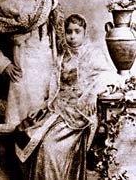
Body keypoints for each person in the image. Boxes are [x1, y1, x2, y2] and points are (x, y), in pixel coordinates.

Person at [14, 14, 120, 180]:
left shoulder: (93, 54)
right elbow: (55, 88)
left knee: (50, 148)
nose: (72, 36)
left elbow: (108, 75)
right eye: (69, 31)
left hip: (80, 112)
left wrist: (92, 94)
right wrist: (43, 106)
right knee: (29, 135)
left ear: (85, 33)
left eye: (77, 31)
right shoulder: (62, 56)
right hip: (59, 108)